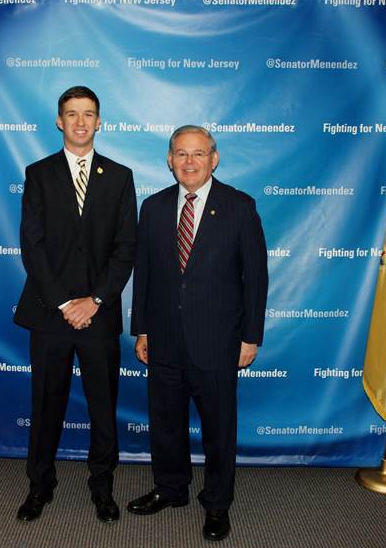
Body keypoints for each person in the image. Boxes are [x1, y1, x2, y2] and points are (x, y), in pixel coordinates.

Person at [128, 125, 268, 541]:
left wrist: (250, 337)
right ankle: (171, 489)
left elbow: (255, 280)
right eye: (181, 154)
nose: (190, 162)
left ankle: (217, 504)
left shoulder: (240, 206)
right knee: (165, 423)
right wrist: (142, 331)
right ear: (169, 160)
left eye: (198, 153)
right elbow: (145, 275)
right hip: (165, 339)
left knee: (219, 429)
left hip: (219, 342)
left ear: (214, 158)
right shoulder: (152, 208)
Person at [14, 86, 137, 523]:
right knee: (46, 407)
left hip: (99, 316)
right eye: (72, 114)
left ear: (99, 121)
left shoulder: (120, 177)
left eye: (88, 114)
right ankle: (39, 486)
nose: (81, 122)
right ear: (59, 121)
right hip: (51, 313)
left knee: (104, 410)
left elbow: (126, 249)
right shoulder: (38, 173)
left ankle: (103, 489)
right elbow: (33, 246)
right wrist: (67, 302)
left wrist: (96, 300)